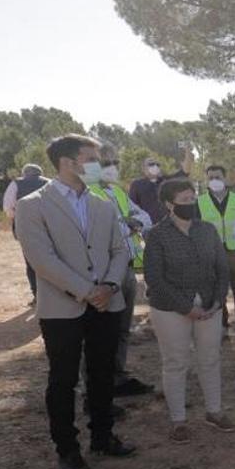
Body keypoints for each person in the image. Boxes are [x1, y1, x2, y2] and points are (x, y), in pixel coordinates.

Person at [16, 134, 137, 469]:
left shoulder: (102, 204)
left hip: (106, 304)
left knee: (102, 374)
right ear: (69, 162)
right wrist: (86, 290)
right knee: (63, 379)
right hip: (62, 308)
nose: (99, 165)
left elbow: (119, 250)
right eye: (92, 158)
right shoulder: (33, 205)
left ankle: (102, 435)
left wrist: (110, 285)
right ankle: (67, 449)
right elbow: (40, 258)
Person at [145, 179, 235, 443]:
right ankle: (178, 420)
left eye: (192, 198)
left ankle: (214, 411)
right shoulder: (157, 235)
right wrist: (185, 308)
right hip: (170, 310)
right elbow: (154, 278)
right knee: (175, 362)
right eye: (184, 201)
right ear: (169, 205)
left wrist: (218, 300)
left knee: (210, 359)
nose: (190, 204)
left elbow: (222, 269)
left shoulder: (207, 230)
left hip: (209, 306)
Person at [89, 155, 155, 400]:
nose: (113, 173)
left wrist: (133, 221)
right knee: (104, 331)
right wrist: (128, 226)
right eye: (109, 169)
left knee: (123, 330)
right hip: (106, 271)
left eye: (116, 169)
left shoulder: (117, 192)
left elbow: (144, 217)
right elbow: (102, 230)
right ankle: (100, 386)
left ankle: (118, 377)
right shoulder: (89, 193)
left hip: (127, 269)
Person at [196, 164, 235, 334]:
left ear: (225, 179)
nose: (214, 181)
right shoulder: (200, 201)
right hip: (212, 253)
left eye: (217, 177)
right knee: (217, 291)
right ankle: (222, 326)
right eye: (210, 178)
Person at [3, 163, 50, 301]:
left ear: (25, 173)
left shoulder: (16, 183)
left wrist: (17, 217)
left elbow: (8, 208)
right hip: (48, 226)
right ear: (40, 173)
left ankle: (37, 295)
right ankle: (53, 293)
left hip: (25, 226)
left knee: (30, 261)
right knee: (51, 258)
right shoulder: (50, 183)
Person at [128, 157, 168, 223]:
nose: (155, 166)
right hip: (148, 227)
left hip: (166, 226)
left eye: (157, 164)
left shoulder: (166, 182)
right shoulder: (137, 185)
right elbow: (132, 207)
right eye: (151, 164)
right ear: (143, 168)